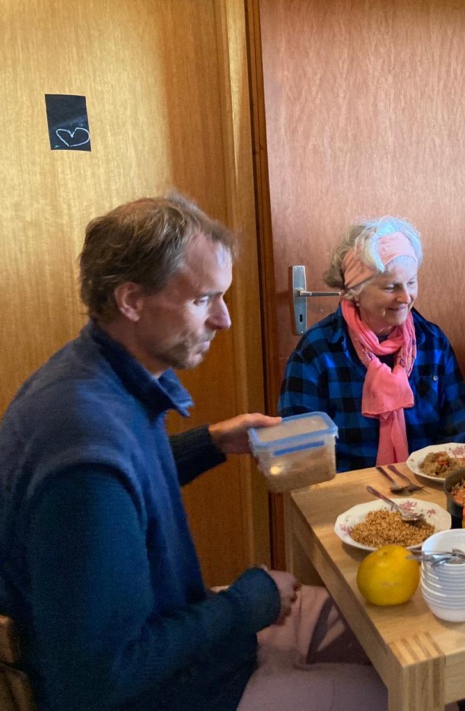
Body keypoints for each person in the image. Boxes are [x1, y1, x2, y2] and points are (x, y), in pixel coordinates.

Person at [0, 195, 385, 711]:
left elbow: (129, 485)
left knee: (386, 632)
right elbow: (99, 677)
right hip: (174, 692)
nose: (223, 320)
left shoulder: (93, 378)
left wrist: (210, 443)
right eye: (205, 299)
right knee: (412, 693)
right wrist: (247, 604)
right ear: (131, 300)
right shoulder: (85, 455)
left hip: (196, 647)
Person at [279, 217, 465, 472]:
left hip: (426, 488)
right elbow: (301, 451)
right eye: (391, 287)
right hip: (346, 497)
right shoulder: (317, 352)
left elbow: (456, 429)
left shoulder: (433, 342)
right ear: (355, 292)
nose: (405, 297)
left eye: (411, 282)